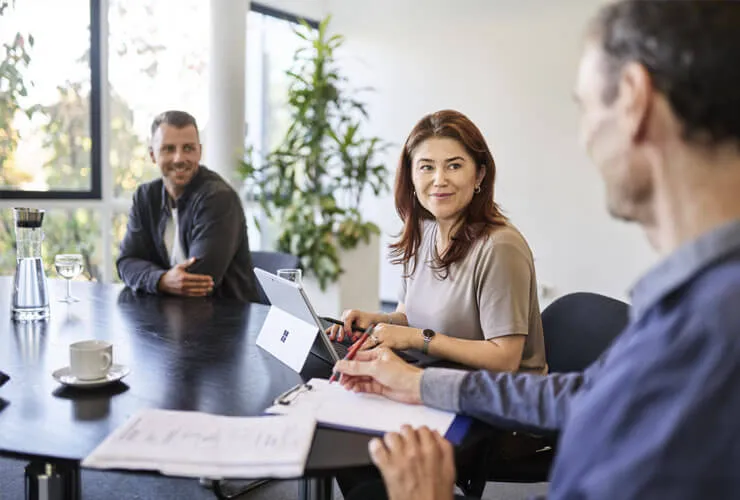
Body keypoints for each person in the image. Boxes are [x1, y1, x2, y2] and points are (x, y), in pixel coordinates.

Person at [338, 1, 740, 499]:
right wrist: (419, 384)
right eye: (425, 167)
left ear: (634, 100)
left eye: (586, 106)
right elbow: (589, 395)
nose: (585, 135)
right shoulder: (692, 306)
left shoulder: (710, 326)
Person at [329, 110, 546, 374]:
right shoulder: (423, 233)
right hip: (432, 377)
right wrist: (377, 321)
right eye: (427, 167)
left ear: (479, 175)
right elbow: (410, 317)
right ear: (411, 176)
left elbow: (505, 359)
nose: (439, 180)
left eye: (454, 165)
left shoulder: (500, 247)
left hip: (498, 399)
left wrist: (417, 339)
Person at [117, 110, 260, 302]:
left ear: (199, 151)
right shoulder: (145, 197)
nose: (179, 158)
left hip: (224, 321)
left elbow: (199, 281)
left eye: (188, 148)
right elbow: (126, 262)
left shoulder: (218, 198)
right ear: (152, 154)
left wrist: (150, 278)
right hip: (169, 319)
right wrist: (162, 280)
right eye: (168, 149)